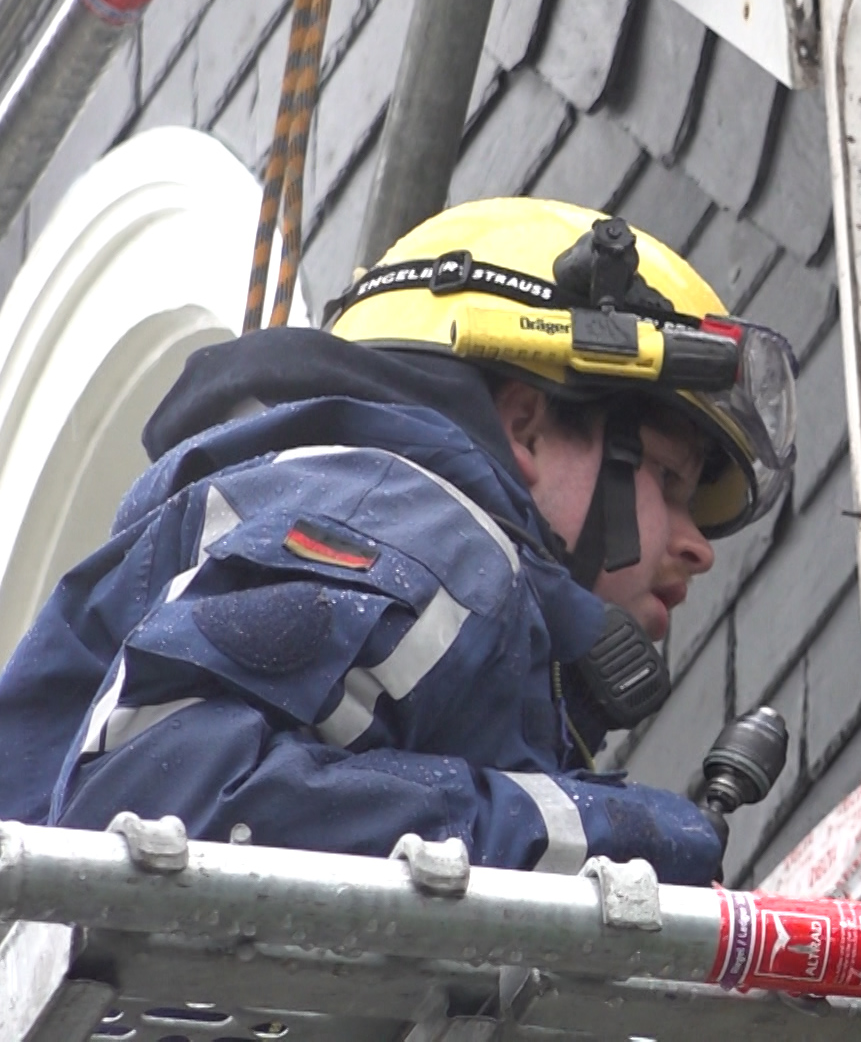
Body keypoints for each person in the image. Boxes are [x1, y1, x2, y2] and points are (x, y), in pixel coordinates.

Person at [0, 197, 796, 885]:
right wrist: (595, 833)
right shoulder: (423, 535)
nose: (700, 548)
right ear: (525, 425)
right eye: (670, 480)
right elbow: (155, 814)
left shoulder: (459, 612)